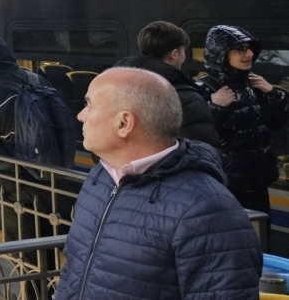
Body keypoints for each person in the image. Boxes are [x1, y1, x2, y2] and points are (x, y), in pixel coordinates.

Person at [53, 68, 261, 299]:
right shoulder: (100, 177)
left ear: (124, 123)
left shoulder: (208, 210)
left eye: (89, 105)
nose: (80, 115)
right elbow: (74, 269)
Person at [0, 37, 75, 243]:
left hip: (11, 183)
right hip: (51, 173)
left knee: (26, 249)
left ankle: (36, 275)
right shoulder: (36, 79)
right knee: (51, 239)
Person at [199, 25, 289, 214]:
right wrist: (215, 108)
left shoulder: (253, 85)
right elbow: (199, 137)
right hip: (227, 183)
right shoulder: (204, 89)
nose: (248, 54)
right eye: (240, 49)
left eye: (249, 49)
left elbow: (276, 124)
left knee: (261, 235)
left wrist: (273, 94)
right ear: (220, 54)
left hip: (259, 179)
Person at [113, 22, 218, 146]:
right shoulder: (184, 97)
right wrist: (216, 107)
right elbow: (202, 150)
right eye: (183, 51)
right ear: (174, 54)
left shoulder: (116, 88)